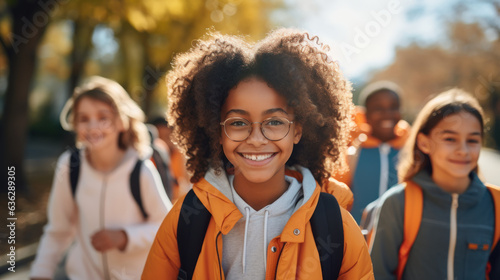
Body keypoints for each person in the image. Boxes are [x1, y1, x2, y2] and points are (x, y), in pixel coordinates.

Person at [141, 28, 374, 279]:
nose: (256, 139)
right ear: (216, 132)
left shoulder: (335, 225)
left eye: (274, 122)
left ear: (297, 130)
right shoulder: (187, 218)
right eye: (238, 123)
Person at [30, 76, 172, 280]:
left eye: (103, 117)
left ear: (122, 121)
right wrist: (40, 273)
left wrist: (125, 237)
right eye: (83, 119)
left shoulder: (140, 170)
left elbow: (166, 227)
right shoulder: (70, 166)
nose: (92, 126)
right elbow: (58, 230)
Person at [370, 88, 500, 279]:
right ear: (424, 143)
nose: (463, 150)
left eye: (472, 140)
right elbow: (378, 274)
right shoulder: (398, 203)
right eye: (450, 139)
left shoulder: (495, 204)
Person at [335, 81, 410, 223]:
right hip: (358, 239)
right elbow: (338, 201)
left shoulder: (411, 154)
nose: (387, 114)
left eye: (394, 107)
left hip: (401, 240)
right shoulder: (350, 155)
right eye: (378, 108)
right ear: (365, 115)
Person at [150, 116, 191, 202]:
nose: (163, 143)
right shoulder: (149, 160)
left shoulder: (182, 157)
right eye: (159, 138)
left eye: (167, 137)